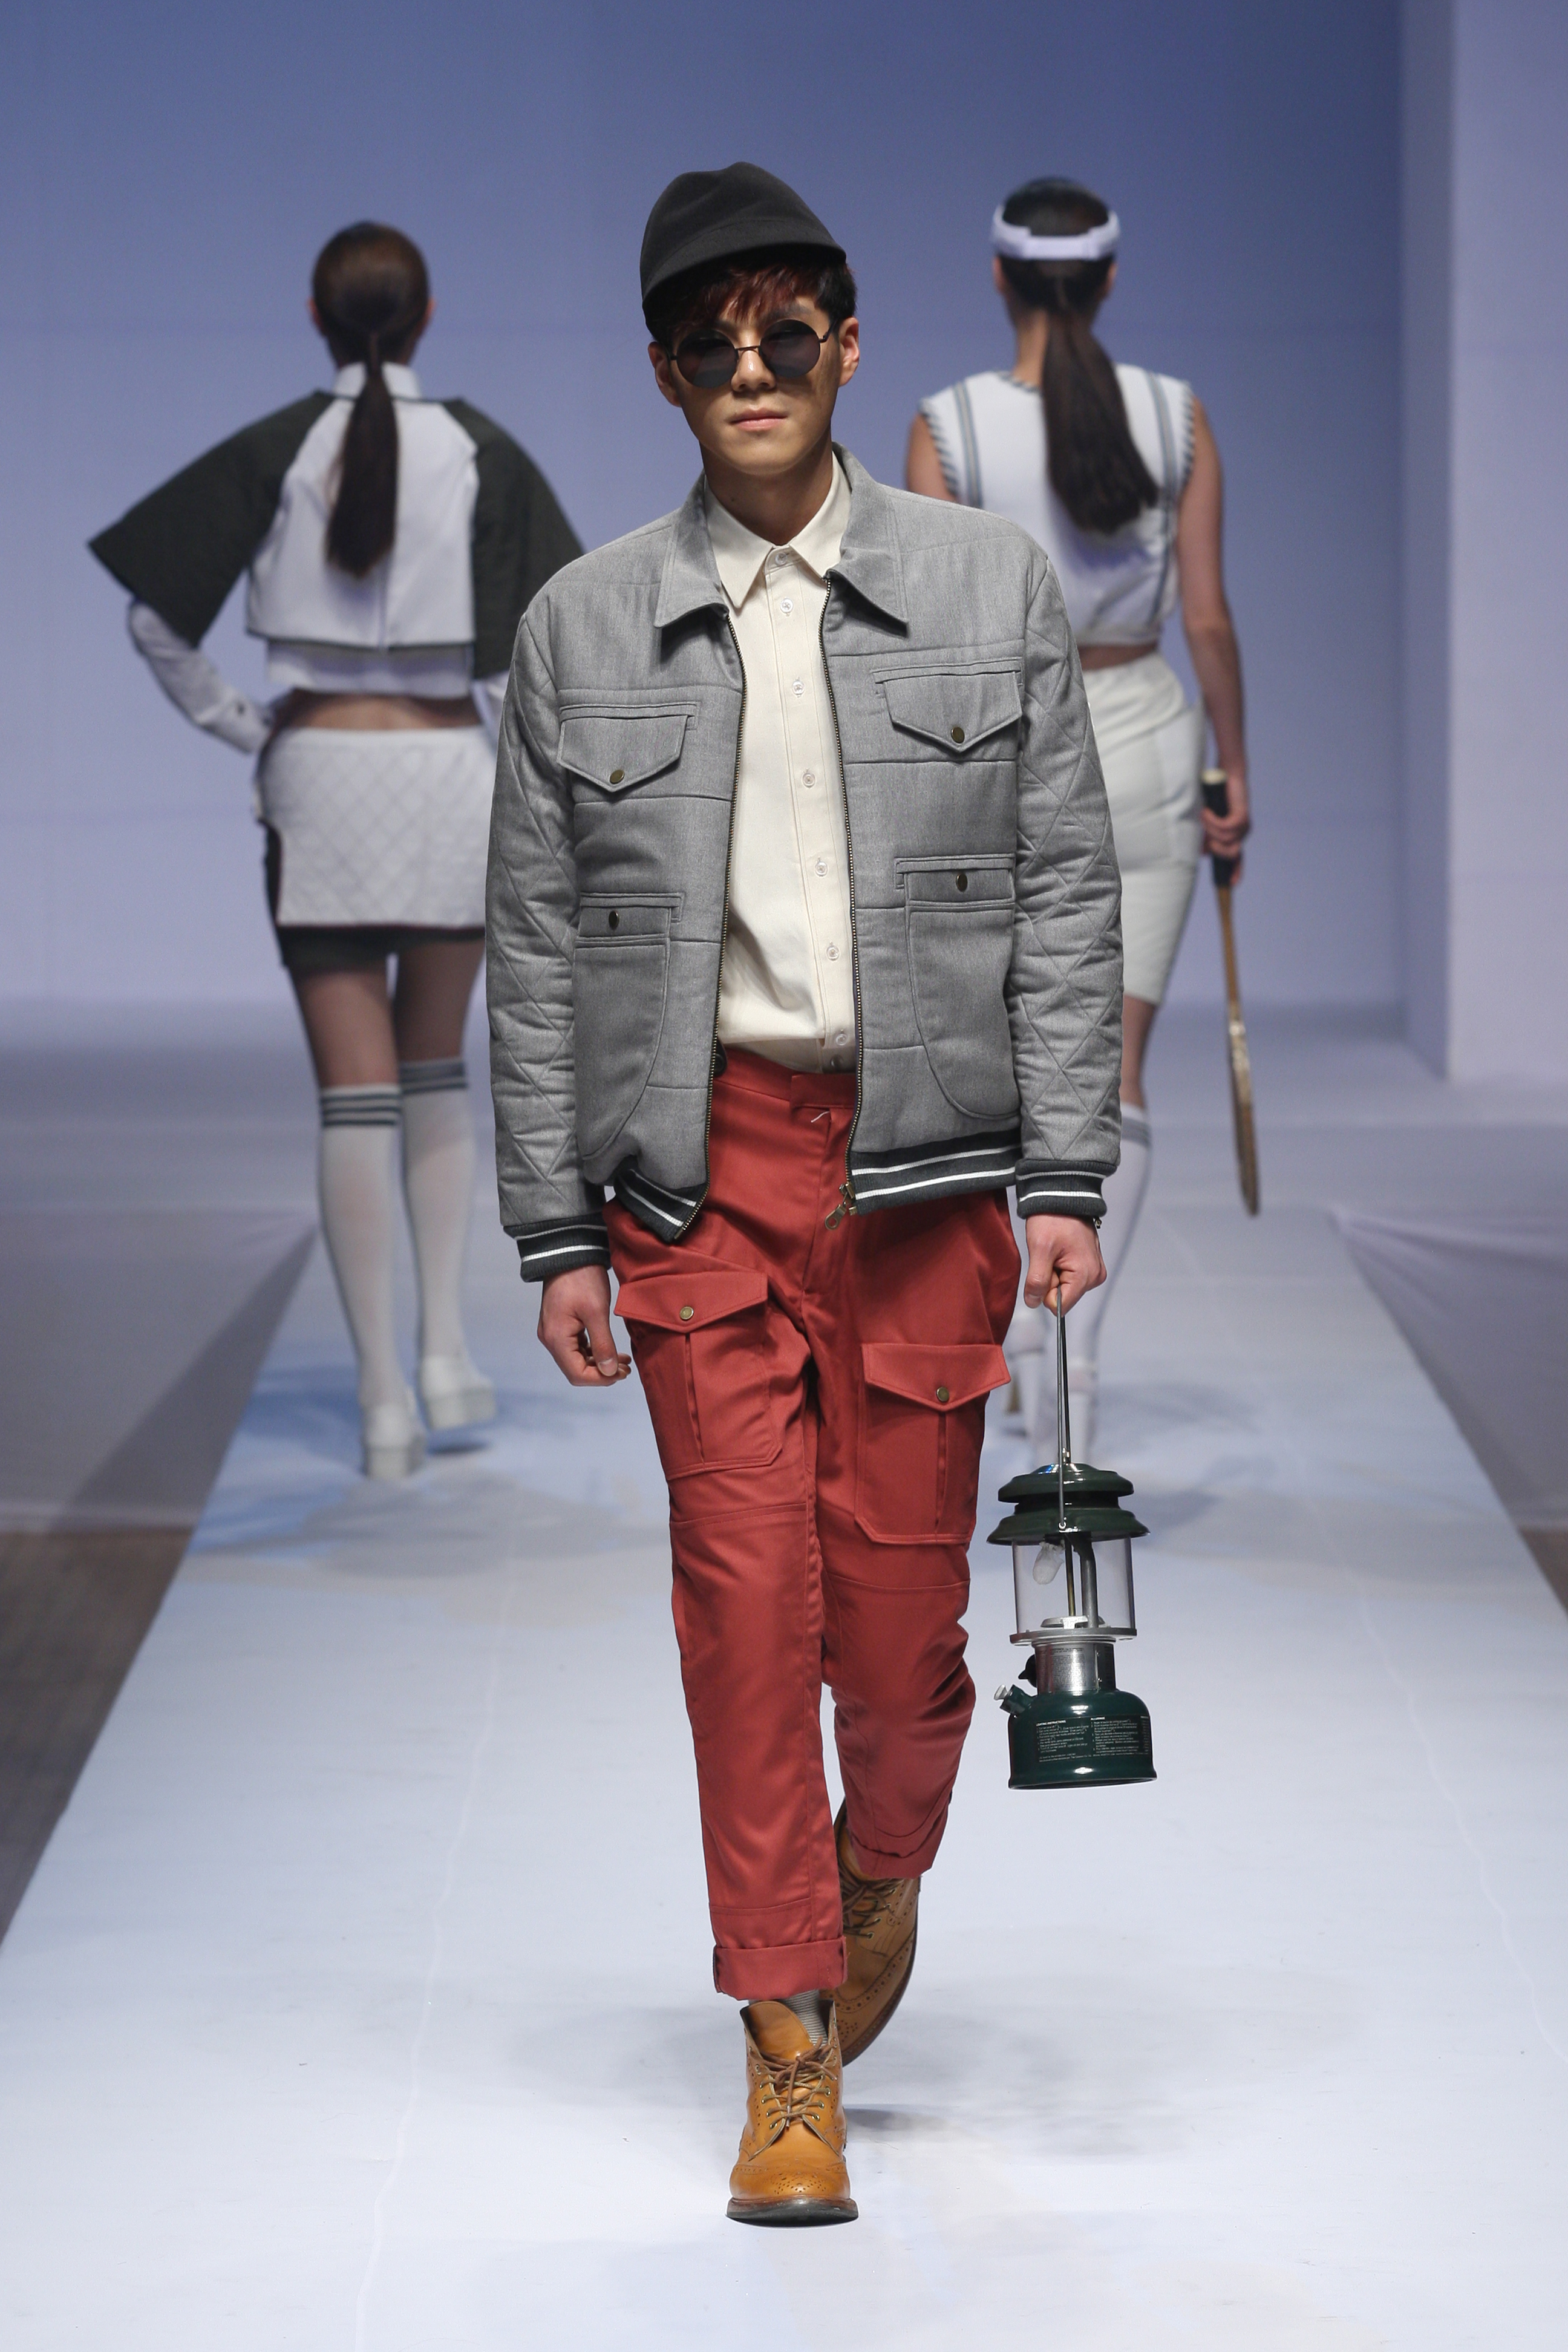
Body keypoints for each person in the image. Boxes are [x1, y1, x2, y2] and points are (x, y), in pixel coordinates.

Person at [486, 162, 1121, 2224]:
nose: (748, 370)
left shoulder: (985, 584)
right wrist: (556, 1225)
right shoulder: (583, 624)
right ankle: (785, 2042)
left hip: (928, 1178)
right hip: (703, 1181)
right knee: (746, 1613)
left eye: (782, 334)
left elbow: (1062, 884)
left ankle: (881, 1860)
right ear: (662, 373)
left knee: (903, 1629)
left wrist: (1065, 1166)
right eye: (710, 343)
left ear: (846, 346)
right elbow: (536, 950)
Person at [90, 223, 580, 1478]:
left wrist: (244, 725)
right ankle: (444, 1355)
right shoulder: (478, 448)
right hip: (450, 774)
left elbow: (152, 615)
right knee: (436, 1073)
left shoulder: (277, 449)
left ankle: (378, 1401)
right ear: (429, 315)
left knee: (352, 1095)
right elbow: (550, 642)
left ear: (315, 313)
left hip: (317, 773)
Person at [909, 178, 1250, 1452]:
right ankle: (1077, 1359)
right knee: (1111, 1070)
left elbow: (934, 639)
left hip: (1001, 745)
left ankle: (1029, 1342)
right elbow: (1205, 618)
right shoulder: (1179, 416)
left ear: (998, 277)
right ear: (1111, 279)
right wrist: (1234, 768)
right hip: (1148, 734)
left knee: (1007, 1064)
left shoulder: (947, 427)